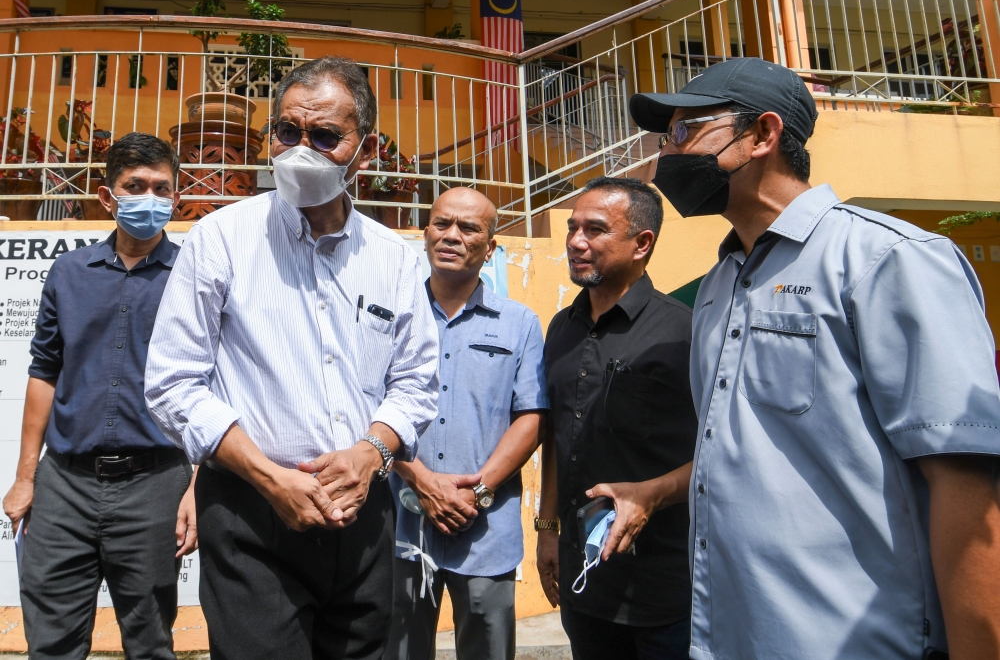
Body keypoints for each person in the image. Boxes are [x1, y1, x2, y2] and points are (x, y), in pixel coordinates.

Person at [611, 56, 1000, 659]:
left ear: (762, 135)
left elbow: (965, 483)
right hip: (732, 637)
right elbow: (739, 454)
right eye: (668, 136)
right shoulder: (718, 285)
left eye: (687, 131)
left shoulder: (886, 260)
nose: (670, 152)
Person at [144, 55, 439, 660]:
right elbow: (173, 383)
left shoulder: (397, 258)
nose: (300, 150)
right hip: (252, 517)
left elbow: (416, 383)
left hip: (362, 516)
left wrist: (371, 452)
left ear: (368, 148)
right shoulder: (220, 239)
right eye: (287, 132)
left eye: (326, 136)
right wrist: (269, 477)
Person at [2, 132, 195, 660]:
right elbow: (44, 371)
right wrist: (25, 477)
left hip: (155, 483)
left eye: (162, 188)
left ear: (176, 196)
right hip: (64, 482)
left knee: (150, 640)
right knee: (52, 641)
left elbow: (217, 386)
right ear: (108, 197)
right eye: (135, 186)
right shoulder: (69, 273)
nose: (150, 199)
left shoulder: (193, 278)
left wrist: (197, 487)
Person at [535, 176, 698, 660]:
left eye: (596, 230)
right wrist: (547, 530)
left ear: (641, 243)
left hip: (663, 588)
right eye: (572, 228)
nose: (575, 242)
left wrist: (651, 495)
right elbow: (557, 438)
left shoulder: (684, 332)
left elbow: (723, 450)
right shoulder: (561, 328)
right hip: (583, 583)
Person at [384, 187, 549, 660]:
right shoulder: (392, 318)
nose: (452, 235)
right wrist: (421, 480)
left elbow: (532, 416)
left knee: (487, 650)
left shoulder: (519, 323)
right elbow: (366, 410)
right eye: (442, 224)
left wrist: (473, 493)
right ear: (425, 233)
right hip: (399, 522)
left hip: (483, 527)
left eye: (469, 227)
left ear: (491, 246)